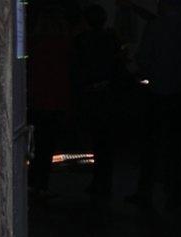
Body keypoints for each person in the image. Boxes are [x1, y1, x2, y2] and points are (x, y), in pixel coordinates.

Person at [130, 0, 181, 210]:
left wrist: (148, 73)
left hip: (157, 91)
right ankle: (177, 190)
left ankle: (146, 189)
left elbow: (144, 57)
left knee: (151, 144)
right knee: (178, 145)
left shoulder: (156, 27)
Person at [71, 4, 126, 199]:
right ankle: (103, 180)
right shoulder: (110, 40)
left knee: (97, 138)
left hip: (92, 95)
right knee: (105, 141)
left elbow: (77, 69)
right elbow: (119, 65)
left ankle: (99, 180)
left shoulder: (82, 41)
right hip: (107, 95)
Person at [29, 2, 74, 195]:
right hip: (56, 100)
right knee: (47, 144)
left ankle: (33, 179)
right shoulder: (65, 45)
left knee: (35, 142)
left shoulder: (35, 45)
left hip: (38, 99)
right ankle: (42, 181)